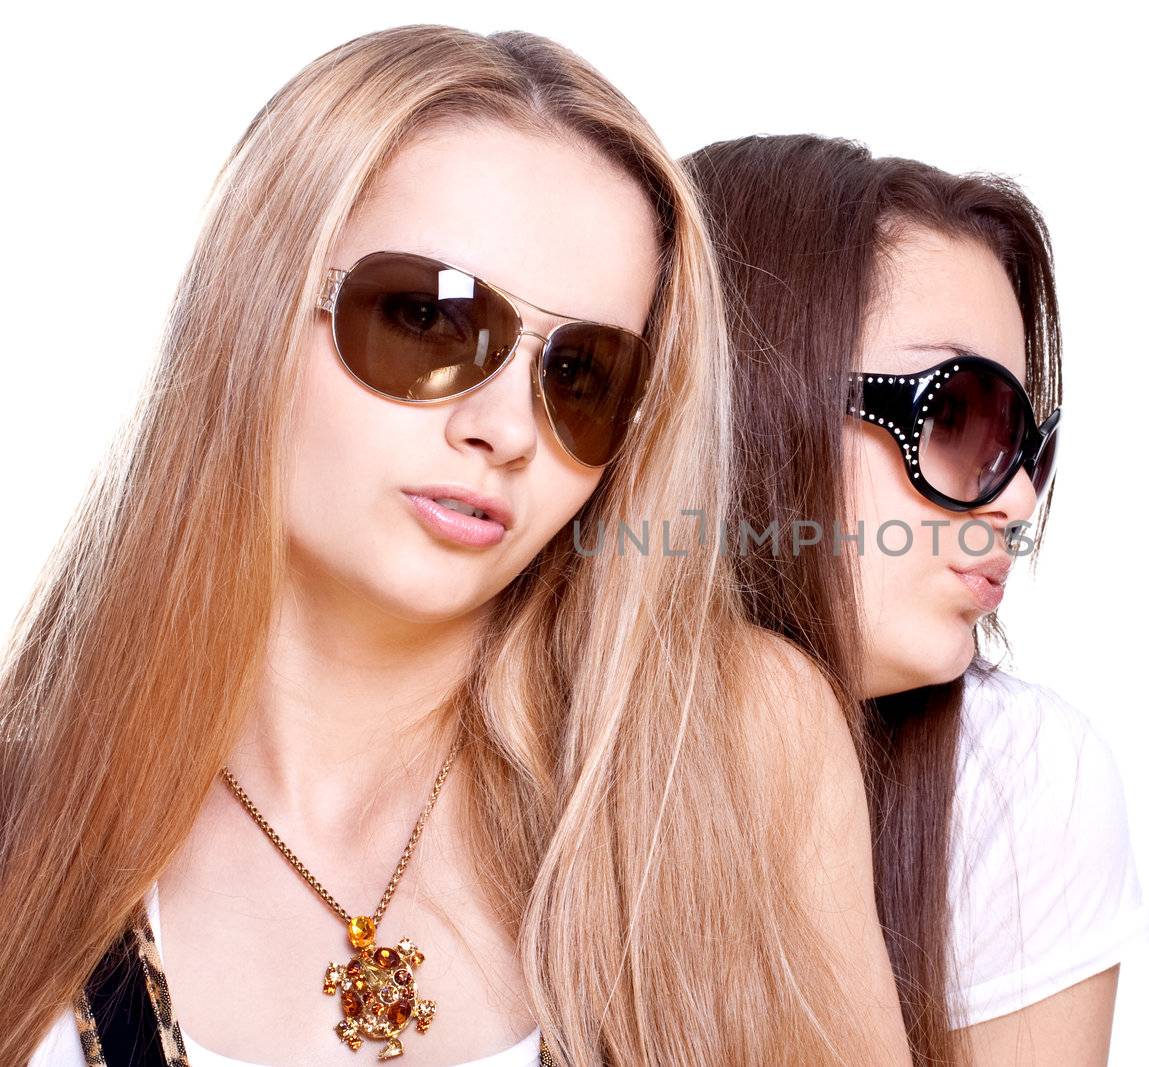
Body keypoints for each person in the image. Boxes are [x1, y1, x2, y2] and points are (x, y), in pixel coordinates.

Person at [4, 28, 912, 1067]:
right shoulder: (25, 837)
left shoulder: (721, 748)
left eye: (582, 376)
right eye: (429, 321)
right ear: (251, 309)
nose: (508, 430)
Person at [682, 133, 1149, 1066]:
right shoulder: (479, 725)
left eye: (1025, 441)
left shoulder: (1016, 776)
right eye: (955, 413)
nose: (1018, 498)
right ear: (743, 397)